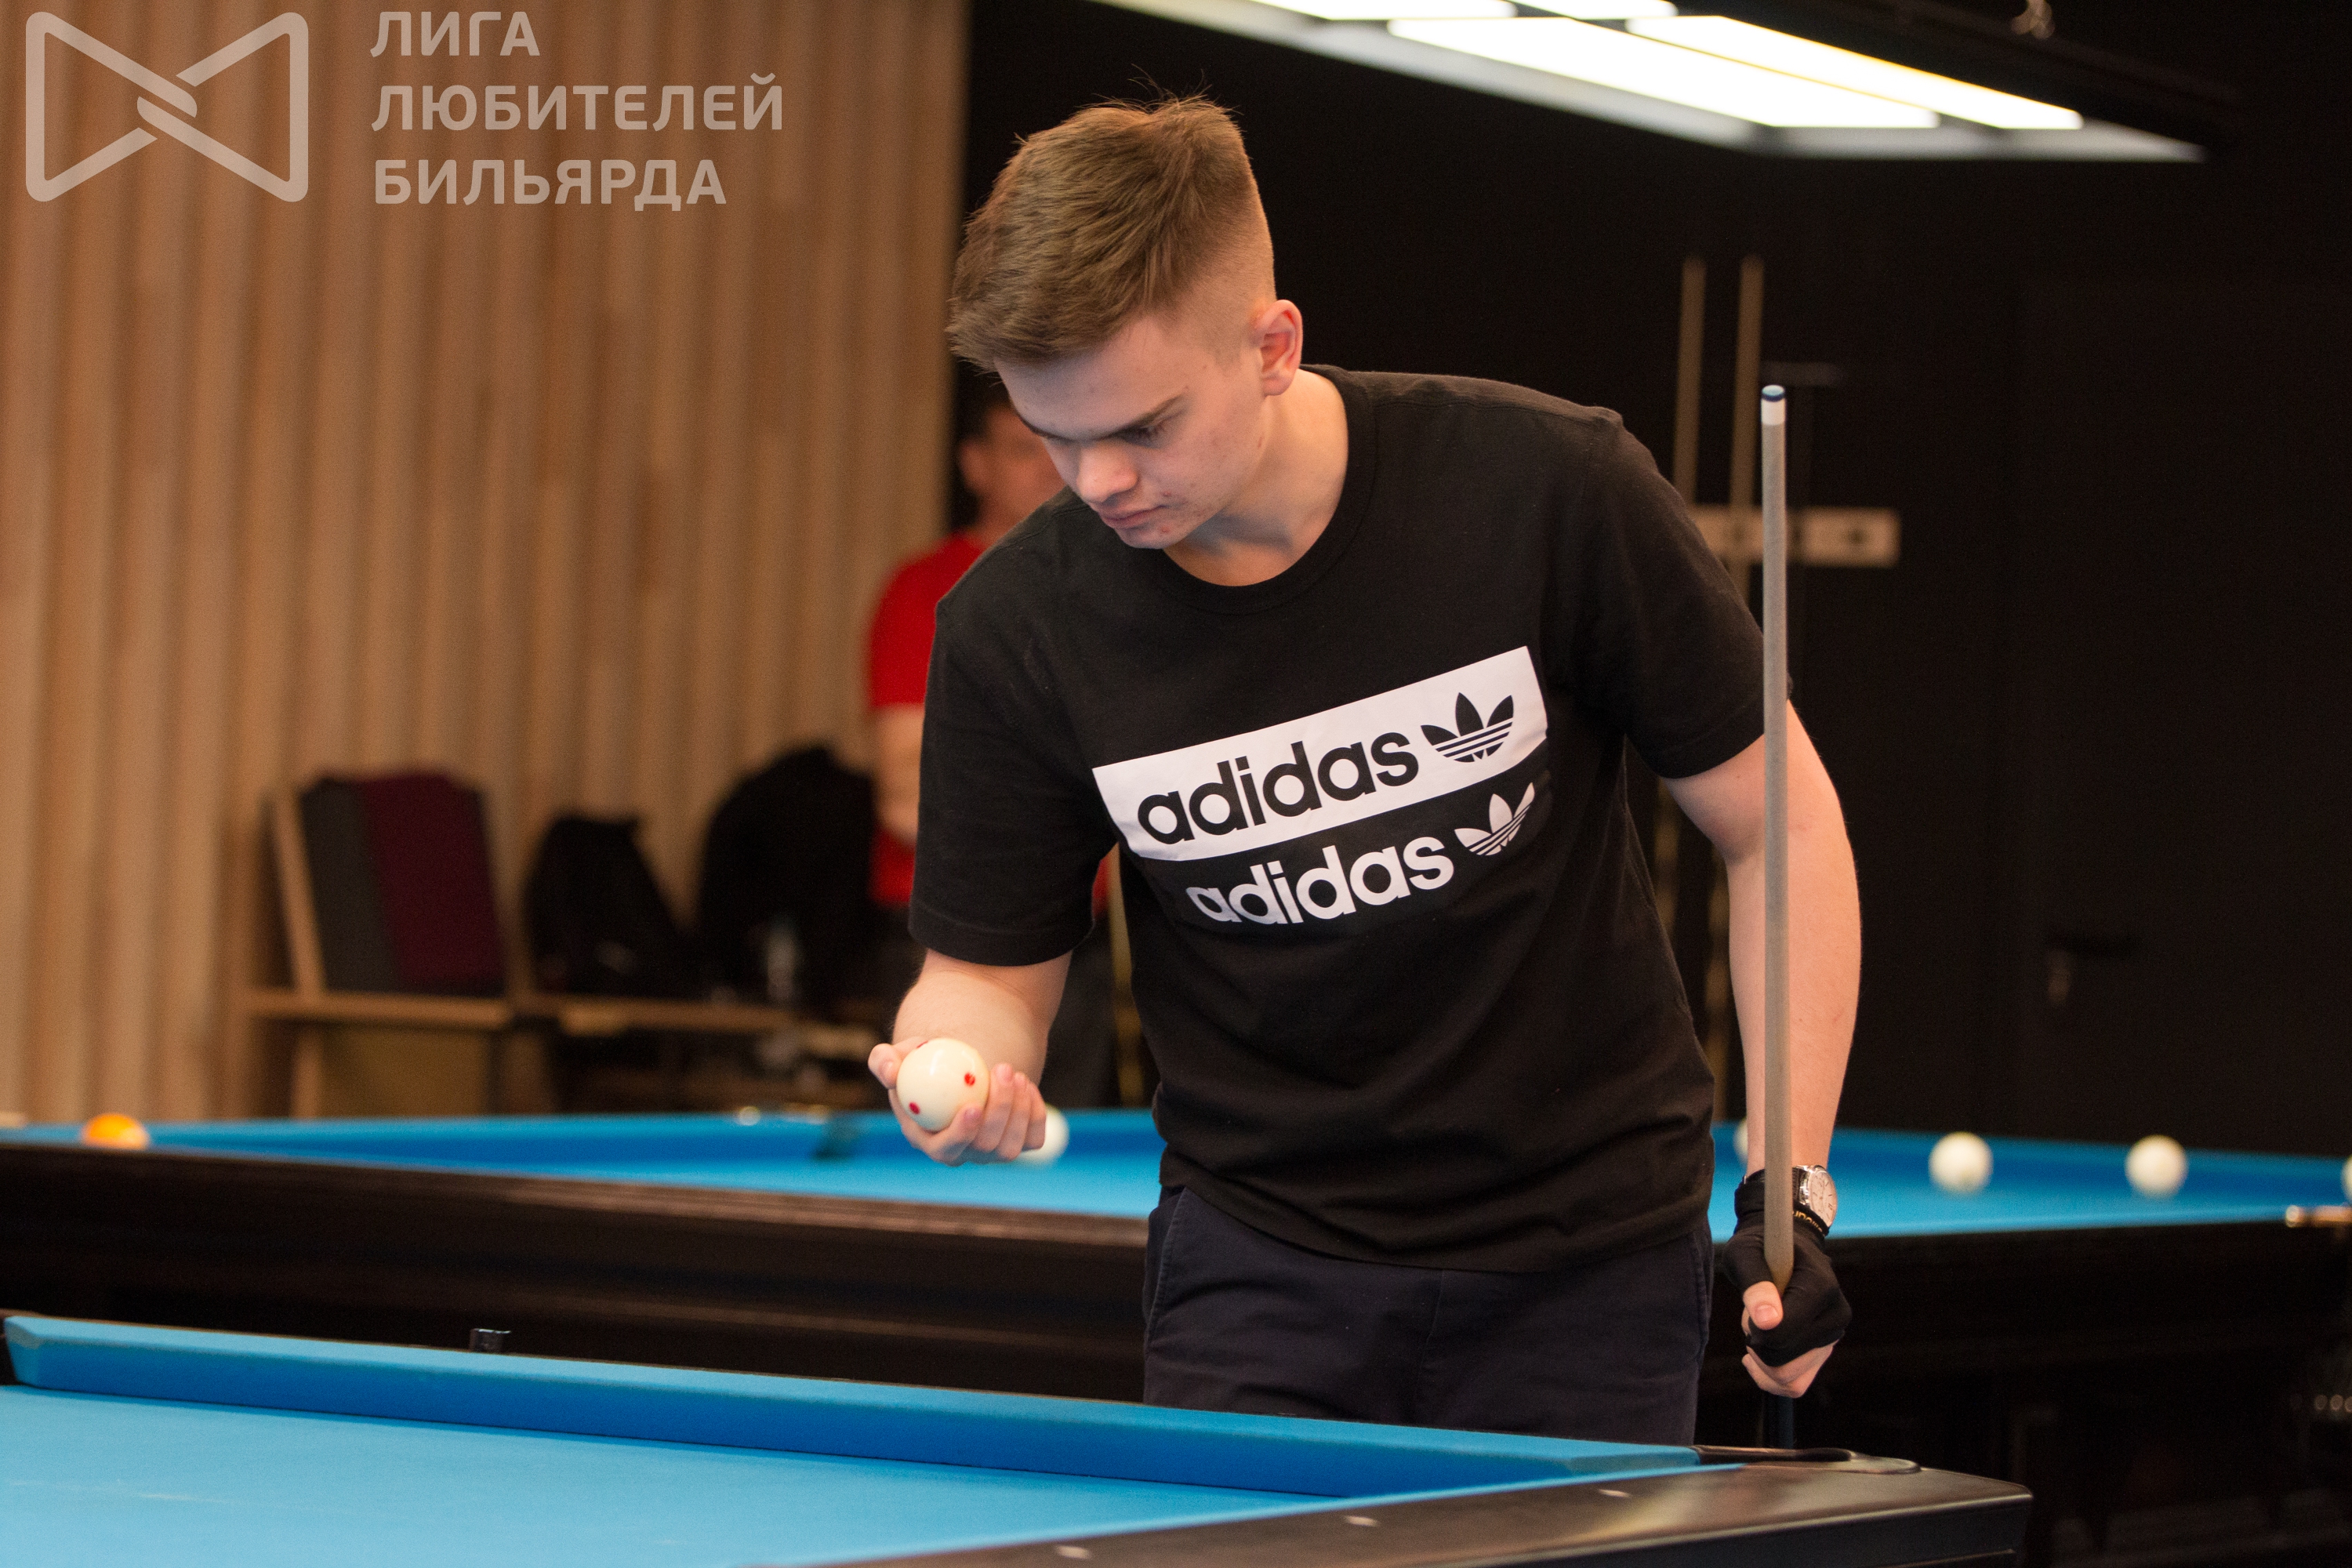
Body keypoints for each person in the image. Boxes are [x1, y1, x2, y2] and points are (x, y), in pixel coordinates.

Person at [868, 97, 1859, 1443]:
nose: (1098, 483)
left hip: (1587, 1263)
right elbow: (987, 973)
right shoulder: (1016, 626)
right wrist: (958, 1063)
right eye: (1054, 435)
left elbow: (1777, 827)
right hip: (1257, 1268)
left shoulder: (1549, 490)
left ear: (1273, 346)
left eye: (1145, 427)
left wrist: (1790, 1187)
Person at [866, 382, 1119, 1106]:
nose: (1048, 468)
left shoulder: (1108, 583)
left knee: (1061, 1134)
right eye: (1021, 449)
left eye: (1058, 445)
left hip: (1079, 931)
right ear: (975, 465)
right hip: (944, 929)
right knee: (951, 1123)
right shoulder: (928, 590)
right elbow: (902, 797)